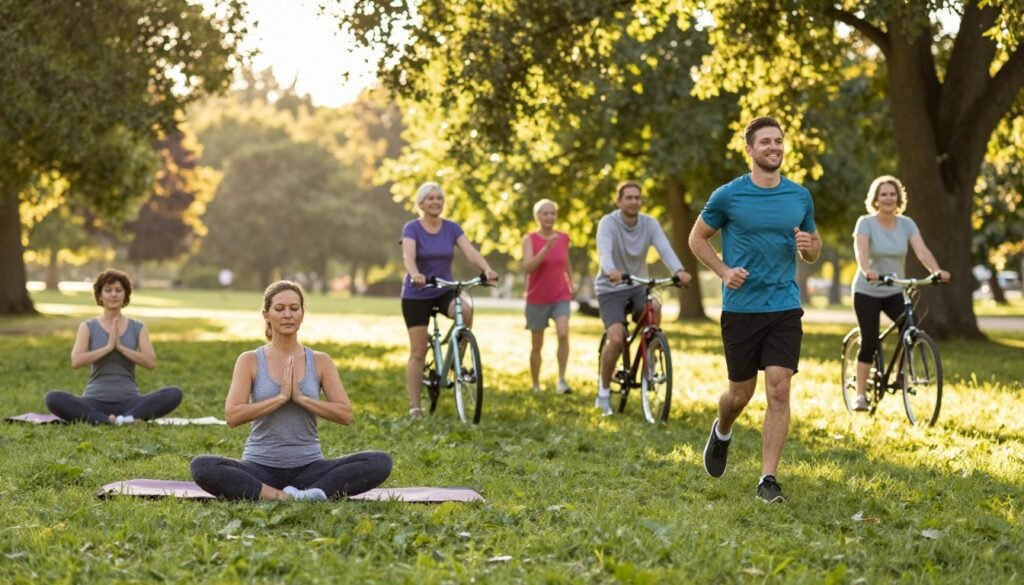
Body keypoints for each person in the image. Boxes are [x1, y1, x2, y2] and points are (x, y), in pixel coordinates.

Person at [688, 116, 821, 503]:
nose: (773, 147)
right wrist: (723, 270)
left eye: (778, 141)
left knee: (779, 390)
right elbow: (697, 238)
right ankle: (723, 430)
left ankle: (768, 479)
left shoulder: (799, 196)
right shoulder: (729, 195)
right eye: (765, 142)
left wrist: (807, 246)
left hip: (784, 306)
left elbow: (814, 250)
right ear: (749, 149)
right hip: (742, 309)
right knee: (739, 395)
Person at [190, 281, 391, 501]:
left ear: (303, 313)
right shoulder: (249, 360)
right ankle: (286, 497)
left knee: (379, 461)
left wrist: (301, 398)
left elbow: (345, 414)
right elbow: (232, 415)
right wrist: (280, 398)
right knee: (203, 466)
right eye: (280, 309)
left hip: (309, 468)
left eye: (294, 308)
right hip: (259, 468)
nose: (288, 315)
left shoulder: (321, 361)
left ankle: (311, 492)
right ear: (266, 315)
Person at [851, 175, 950, 411]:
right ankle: (861, 395)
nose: (888, 198)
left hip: (895, 288)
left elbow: (921, 250)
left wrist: (935, 271)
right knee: (870, 341)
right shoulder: (865, 223)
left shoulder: (907, 224)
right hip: (868, 290)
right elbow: (861, 251)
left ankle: (899, 376)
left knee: (910, 329)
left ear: (899, 198)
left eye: (892, 194)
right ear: (875, 199)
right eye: (883, 194)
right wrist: (867, 270)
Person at [401, 182, 498, 419]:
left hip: (445, 287)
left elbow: (470, 251)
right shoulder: (412, 228)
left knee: (466, 310)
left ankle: (458, 361)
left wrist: (487, 269)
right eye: (430, 198)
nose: (435, 202)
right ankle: (415, 406)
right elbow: (408, 255)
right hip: (418, 291)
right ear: (421, 203)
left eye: (439, 198)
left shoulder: (452, 228)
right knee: (418, 351)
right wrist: (415, 274)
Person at [596, 181, 692, 415]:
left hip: (637, 283)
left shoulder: (649, 223)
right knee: (617, 338)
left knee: (655, 308)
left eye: (637, 198)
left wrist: (678, 270)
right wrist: (610, 270)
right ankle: (603, 393)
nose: (633, 202)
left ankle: (650, 355)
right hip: (611, 286)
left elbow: (664, 248)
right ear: (619, 201)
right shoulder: (608, 223)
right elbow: (604, 251)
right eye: (628, 198)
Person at [44, 269, 183, 425]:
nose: (113, 294)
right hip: (94, 401)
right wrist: (108, 348)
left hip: (130, 402)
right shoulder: (88, 326)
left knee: (174, 393)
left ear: (125, 295)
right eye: (108, 290)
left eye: (118, 290)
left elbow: (150, 362)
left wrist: (121, 348)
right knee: (53, 398)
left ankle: (122, 419)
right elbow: (76, 361)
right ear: (100, 296)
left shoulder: (138, 327)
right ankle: (111, 420)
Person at [522, 199, 575, 394]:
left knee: (563, 333)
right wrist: (545, 249)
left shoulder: (563, 238)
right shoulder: (529, 239)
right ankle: (535, 384)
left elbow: (565, 261)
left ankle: (561, 380)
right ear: (538, 217)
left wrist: (572, 281)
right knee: (537, 344)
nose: (549, 217)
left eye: (552, 213)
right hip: (537, 298)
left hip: (560, 294)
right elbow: (528, 267)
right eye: (545, 213)